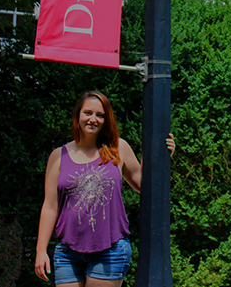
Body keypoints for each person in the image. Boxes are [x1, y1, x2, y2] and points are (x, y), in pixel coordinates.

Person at [35, 91, 175, 286]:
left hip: (110, 250)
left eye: (100, 115)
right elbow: (50, 206)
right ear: (78, 116)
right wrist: (41, 250)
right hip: (68, 253)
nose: (93, 119)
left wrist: (160, 156)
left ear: (106, 120)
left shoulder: (118, 148)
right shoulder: (58, 156)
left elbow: (145, 187)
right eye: (88, 113)